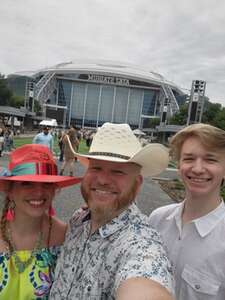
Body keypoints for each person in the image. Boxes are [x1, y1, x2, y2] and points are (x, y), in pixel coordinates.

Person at [50, 122, 174, 300]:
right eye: (96, 168)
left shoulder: (141, 245)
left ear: (137, 184)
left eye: (118, 171)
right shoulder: (79, 218)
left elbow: (145, 281)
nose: (102, 180)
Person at [149, 123, 225, 300]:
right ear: (179, 165)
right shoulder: (157, 219)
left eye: (210, 159)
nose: (198, 169)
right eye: (189, 159)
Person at [0, 144, 81, 299]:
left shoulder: (67, 238)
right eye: (27, 183)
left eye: (47, 184)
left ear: (54, 189)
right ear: (9, 190)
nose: (38, 192)